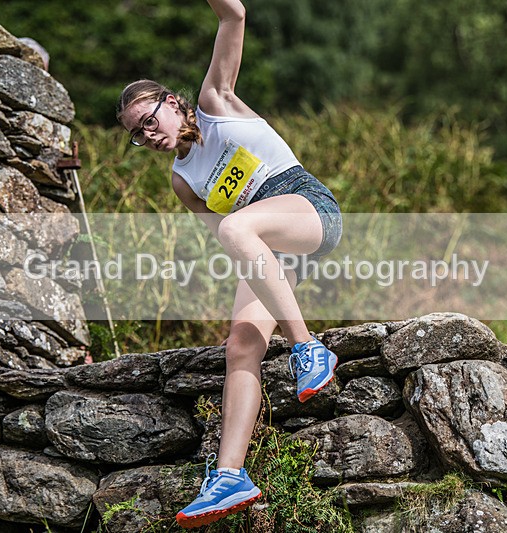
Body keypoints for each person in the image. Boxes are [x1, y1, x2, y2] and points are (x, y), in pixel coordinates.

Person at [117, 0, 342, 528]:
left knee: (240, 225)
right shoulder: (182, 180)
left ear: (173, 104)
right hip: (264, 248)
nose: (148, 135)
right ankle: (229, 477)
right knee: (240, 344)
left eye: (150, 120)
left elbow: (233, 16)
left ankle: (308, 348)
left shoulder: (216, 103)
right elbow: (225, 238)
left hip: (306, 208)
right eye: (136, 133)